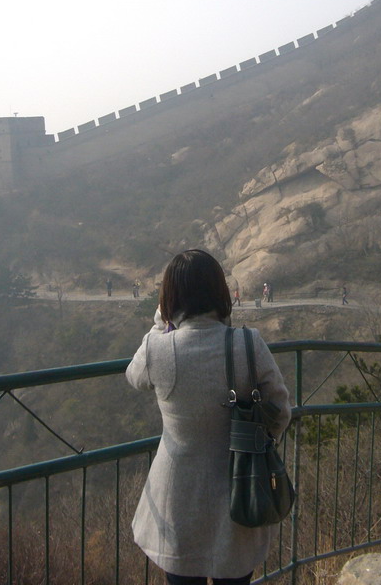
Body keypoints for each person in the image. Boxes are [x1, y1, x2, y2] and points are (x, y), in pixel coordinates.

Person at [126, 250, 292, 585]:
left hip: (177, 498)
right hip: (241, 489)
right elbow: (280, 412)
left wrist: (160, 322)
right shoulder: (249, 344)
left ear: (170, 296)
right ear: (220, 291)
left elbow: (134, 376)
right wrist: (253, 440)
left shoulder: (157, 348)